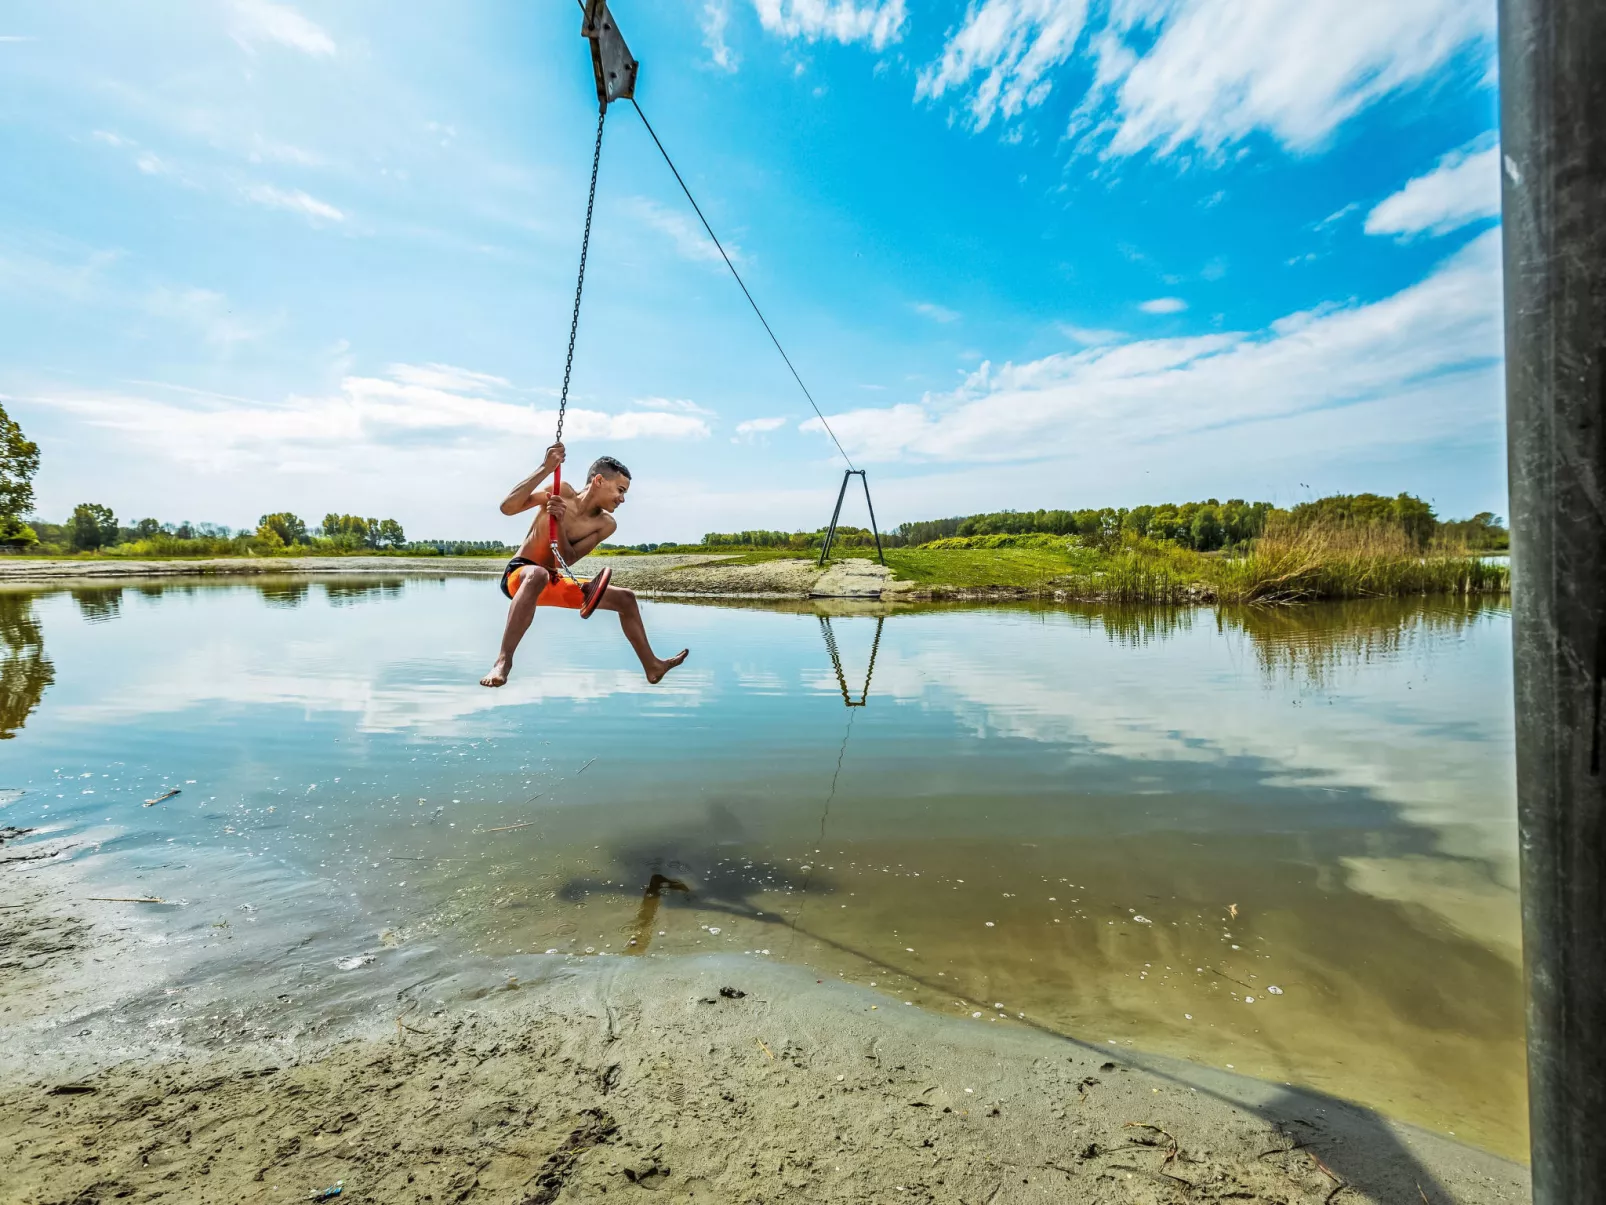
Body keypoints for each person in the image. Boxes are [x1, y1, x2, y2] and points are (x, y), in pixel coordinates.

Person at [480, 443, 688, 688]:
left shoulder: (605, 524)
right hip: (520, 575)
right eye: (620, 490)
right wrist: (546, 468)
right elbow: (508, 508)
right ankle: (503, 662)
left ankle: (652, 666)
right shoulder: (561, 491)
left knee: (626, 599)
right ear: (599, 480)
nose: (622, 499)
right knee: (537, 574)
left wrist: (559, 522)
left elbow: (564, 560)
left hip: (552, 579)